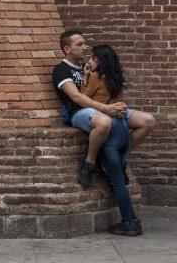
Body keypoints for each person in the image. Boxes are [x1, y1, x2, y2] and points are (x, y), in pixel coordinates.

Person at [52, 30, 155, 188]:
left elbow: (106, 88)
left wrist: (119, 105)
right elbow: (77, 97)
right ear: (67, 49)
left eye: (84, 43)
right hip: (78, 112)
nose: (84, 47)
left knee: (148, 121)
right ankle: (90, 163)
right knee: (104, 122)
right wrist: (105, 108)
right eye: (79, 44)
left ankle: (119, 157)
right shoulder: (61, 70)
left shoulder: (89, 67)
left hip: (101, 108)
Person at [81, 45, 142, 236]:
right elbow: (119, 105)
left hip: (112, 136)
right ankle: (132, 220)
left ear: (101, 61)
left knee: (117, 182)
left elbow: (82, 98)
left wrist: (85, 77)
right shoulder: (116, 80)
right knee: (118, 179)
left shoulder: (96, 78)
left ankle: (129, 222)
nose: (91, 61)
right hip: (124, 132)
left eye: (94, 58)